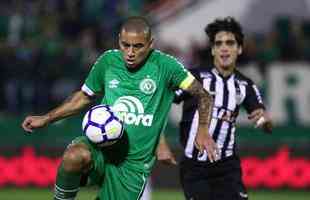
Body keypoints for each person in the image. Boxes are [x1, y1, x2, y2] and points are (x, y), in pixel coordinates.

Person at [21, 16, 217, 200]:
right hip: (100, 149)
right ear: (119, 41)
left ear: (150, 44)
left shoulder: (166, 67)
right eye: (126, 45)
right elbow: (83, 97)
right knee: (74, 156)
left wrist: (202, 130)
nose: (130, 52)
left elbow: (203, 95)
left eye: (138, 46)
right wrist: (47, 118)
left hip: (131, 166)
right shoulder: (108, 62)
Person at [174, 17, 273, 200]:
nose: (224, 48)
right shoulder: (195, 77)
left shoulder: (245, 85)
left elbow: (262, 119)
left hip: (227, 168)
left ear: (239, 49)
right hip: (195, 167)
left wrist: (265, 122)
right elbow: (165, 100)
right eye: (218, 43)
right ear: (213, 50)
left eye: (230, 43)